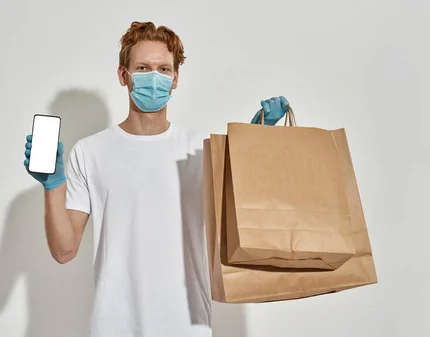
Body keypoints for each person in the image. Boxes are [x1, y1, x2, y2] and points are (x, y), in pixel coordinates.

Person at [22, 21, 289, 337]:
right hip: (113, 327)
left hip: (187, 326)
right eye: (143, 68)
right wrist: (53, 185)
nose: (155, 77)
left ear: (175, 78)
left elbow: (243, 213)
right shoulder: (90, 152)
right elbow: (64, 251)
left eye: (164, 69)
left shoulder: (200, 149)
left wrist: (255, 140)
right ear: (124, 75)